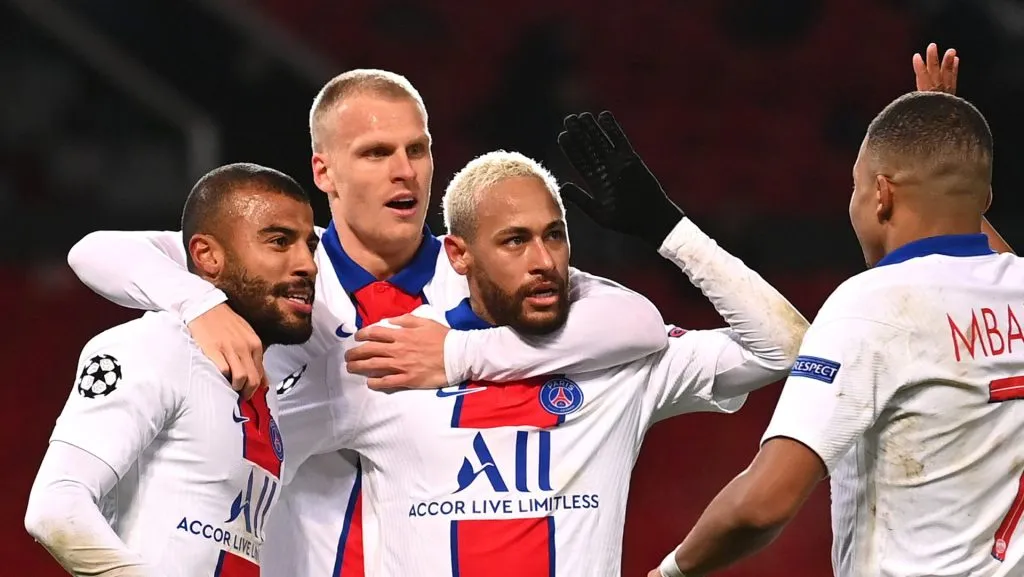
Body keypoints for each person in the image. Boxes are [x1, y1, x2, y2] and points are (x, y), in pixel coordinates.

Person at [63, 69, 670, 577]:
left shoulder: (481, 276)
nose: (403, 171)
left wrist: (461, 357)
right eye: (376, 154)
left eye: (417, 149)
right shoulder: (282, 277)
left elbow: (635, 322)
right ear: (324, 173)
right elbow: (94, 251)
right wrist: (200, 305)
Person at [287, 109, 808, 575]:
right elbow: (248, 451)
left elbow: (782, 347)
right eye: (515, 240)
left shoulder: (619, 363)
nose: (543, 260)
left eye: (554, 235)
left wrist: (668, 230)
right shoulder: (391, 359)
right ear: (460, 255)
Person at [651, 88, 1024, 577]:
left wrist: (670, 572)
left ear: (883, 195)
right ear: (984, 201)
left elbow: (763, 504)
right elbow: (986, 250)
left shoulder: (872, 305)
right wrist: (946, 152)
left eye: (857, 185)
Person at [24, 163, 319, 577]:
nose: (307, 264)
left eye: (311, 246)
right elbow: (56, 508)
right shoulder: (156, 346)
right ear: (207, 256)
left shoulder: (260, 388)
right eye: (279, 242)